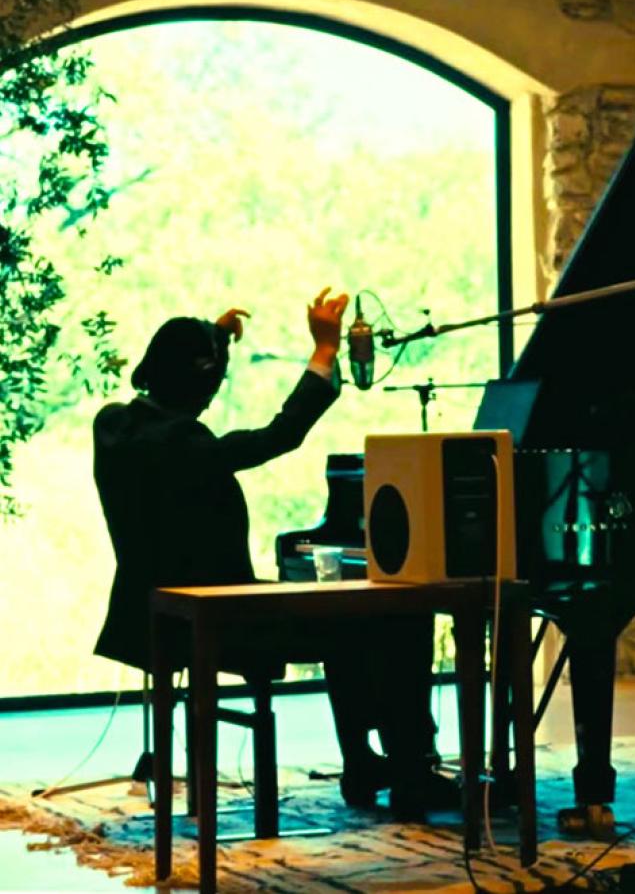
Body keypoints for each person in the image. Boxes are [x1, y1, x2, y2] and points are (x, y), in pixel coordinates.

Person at [92, 289, 453, 818]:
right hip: (225, 622)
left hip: (153, 617)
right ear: (196, 382)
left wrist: (213, 336)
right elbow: (281, 434)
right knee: (395, 614)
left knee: (351, 619)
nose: (214, 397)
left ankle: (367, 765)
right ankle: (407, 770)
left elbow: (179, 370)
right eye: (213, 383)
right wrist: (325, 350)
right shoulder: (186, 447)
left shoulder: (114, 426)